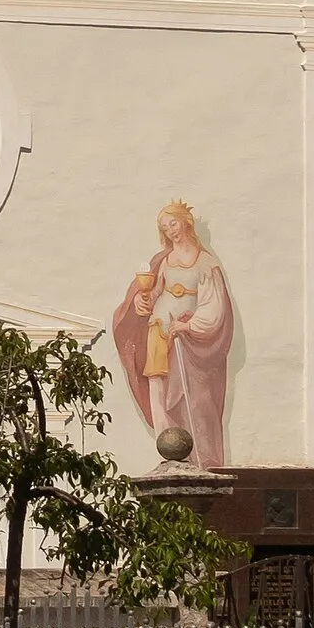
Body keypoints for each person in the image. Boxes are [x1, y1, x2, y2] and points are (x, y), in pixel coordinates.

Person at [110, 198, 234, 470]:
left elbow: (214, 307)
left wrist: (188, 326)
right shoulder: (164, 261)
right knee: (159, 389)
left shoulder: (206, 264)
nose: (171, 231)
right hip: (159, 328)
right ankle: (168, 450)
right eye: (165, 228)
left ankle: (198, 456)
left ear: (186, 222)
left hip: (186, 337)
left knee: (193, 394)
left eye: (173, 223)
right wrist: (143, 302)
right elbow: (155, 293)